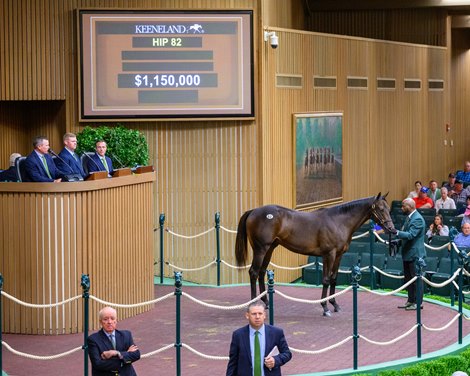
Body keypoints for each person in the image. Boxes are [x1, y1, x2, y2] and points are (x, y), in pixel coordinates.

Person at [226, 300, 292, 376]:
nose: (257, 317)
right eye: (254, 314)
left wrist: (276, 360)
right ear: (247, 315)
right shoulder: (238, 335)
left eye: (260, 314)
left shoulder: (276, 333)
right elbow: (233, 363)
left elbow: (287, 353)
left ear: (264, 315)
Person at [392, 198, 426, 311]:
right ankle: (411, 300)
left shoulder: (417, 219)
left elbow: (411, 235)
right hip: (408, 253)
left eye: (403, 206)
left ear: (410, 206)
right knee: (409, 279)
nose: (401, 208)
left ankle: (418, 303)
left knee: (416, 279)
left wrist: (396, 232)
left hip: (415, 255)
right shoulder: (410, 218)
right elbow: (407, 235)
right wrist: (398, 241)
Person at [87, 306, 140, 376]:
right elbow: (98, 364)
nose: (109, 322)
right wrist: (123, 359)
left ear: (116, 320)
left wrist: (116, 353)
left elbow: (136, 355)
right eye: (105, 319)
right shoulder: (93, 339)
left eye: (112, 318)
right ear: (100, 322)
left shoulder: (126, 335)